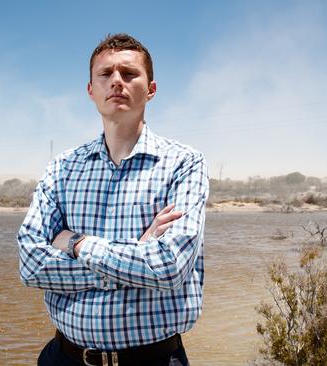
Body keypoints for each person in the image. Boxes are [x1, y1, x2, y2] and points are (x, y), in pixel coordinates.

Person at [17, 33, 209, 366]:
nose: (117, 81)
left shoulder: (184, 163)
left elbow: (168, 267)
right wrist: (135, 255)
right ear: (91, 90)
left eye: (130, 73)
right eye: (106, 74)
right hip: (65, 358)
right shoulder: (62, 168)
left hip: (154, 360)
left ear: (151, 89)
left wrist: (77, 244)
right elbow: (31, 265)